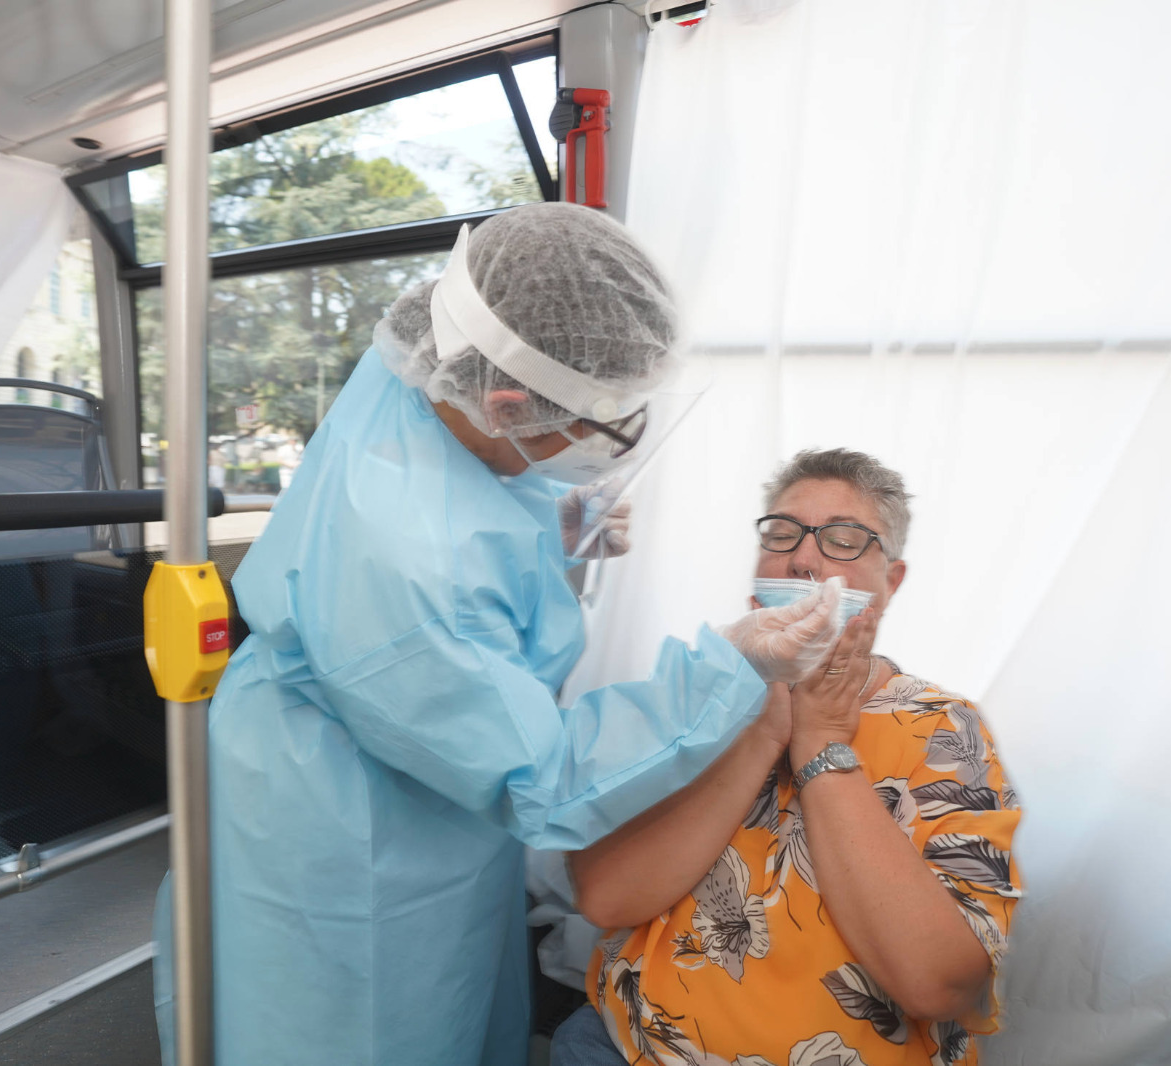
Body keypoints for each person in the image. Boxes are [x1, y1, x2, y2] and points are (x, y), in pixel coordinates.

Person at [151, 204, 850, 1066]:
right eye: (591, 429)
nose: (596, 449)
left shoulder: (429, 357)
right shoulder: (410, 564)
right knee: (365, 1028)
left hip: (404, 765)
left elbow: (456, 499)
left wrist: (543, 534)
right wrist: (727, 668)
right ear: (508, 400)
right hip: (351, 833)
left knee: (457, 1004)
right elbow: (545, 775)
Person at [553, 448, 1023, 1066]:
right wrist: (759, 731)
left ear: (893, 580)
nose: (803, 560)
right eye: (781, 535)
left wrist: (822, 746)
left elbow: (939, 983)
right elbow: (607, 898)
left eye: (844, 540)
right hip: (624, 1048)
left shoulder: (942, 730)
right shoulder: (694, 693)